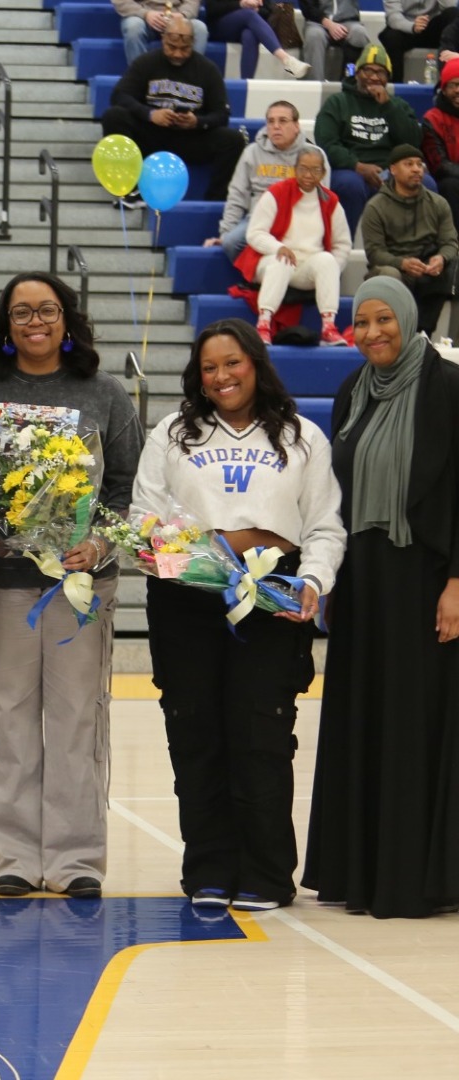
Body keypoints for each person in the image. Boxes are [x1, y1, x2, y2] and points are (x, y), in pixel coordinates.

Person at [134, 319, 344, 911]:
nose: (221, 376)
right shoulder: (173, 434)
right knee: (194, 732)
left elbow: (325, 525)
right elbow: (142, 519)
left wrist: (313, 580)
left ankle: (268, 874)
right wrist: (178, 556)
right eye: (209, 367)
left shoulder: (303, 438)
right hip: (187, 602)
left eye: (233, 363)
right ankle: (207, 869)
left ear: (256, 363)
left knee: (262, 734)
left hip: (271, 601)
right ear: (197, 376)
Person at [0, 273, 142, 898]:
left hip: (81, 586)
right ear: (4, 324)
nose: (34, 320)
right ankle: (11, 856)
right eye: (20, 312)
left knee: (75, 721)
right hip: (4, 583)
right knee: (5, 716)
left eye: (47, 309)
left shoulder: (106, 393)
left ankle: (75, 861)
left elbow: (127, 489)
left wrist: (99, 544)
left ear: (67, 318)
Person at [303, 275, 459, 919]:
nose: (370, 334)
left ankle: (414, 880)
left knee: (416, 725)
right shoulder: (350, 393)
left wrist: (457, 581)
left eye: (381, 321)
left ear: (405, 318)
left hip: (427, 579)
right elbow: (338, 496)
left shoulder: (447, 388)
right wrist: (334, 579)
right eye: (359, 323)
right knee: (364, 718)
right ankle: (358, 870)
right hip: (364, 582)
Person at [100, 15, 247, 204]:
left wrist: (198, 122)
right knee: (114, 116)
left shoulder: (208, 70)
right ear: (163, 40)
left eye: (184, 48)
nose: (178, 53)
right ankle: (128, 189)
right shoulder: (147, 62)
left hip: (190, 138)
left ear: (193, 43)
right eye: (172, 47)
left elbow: (222, 114)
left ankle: (215, 201)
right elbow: (119, 95)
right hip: (151, 133)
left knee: (233, 140)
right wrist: (150, 114)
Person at [239, 147, 353, 345]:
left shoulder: (331, 201)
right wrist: (277, 247)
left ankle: (328, 326)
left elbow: (342, 244)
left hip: (307, 267)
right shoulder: (276, 192)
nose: (309, 175)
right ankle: (263, 324)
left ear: (323, 173)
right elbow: (254, 233)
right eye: (303, 169)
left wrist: (333, 270)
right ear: (294, 169)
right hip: (271, 261)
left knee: (327, 260)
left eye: (315, 170)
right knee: (281, 261)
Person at [319, 45, 431, 227]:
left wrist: (388, 106)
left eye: (380, 72)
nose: (373, 77)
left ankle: (419, 251)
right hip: (350, 169)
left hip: (391, 170)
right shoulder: (337, 102)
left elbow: (412, 142)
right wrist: (357, 166)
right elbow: (327, 143)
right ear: (357, 73)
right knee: (350, 185)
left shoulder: (399, 105)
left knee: (426, 182)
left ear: (387, 78)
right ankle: (340, 248)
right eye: (367, 70)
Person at [362, 143, 459, 334]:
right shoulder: (376, 207)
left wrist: (441, 258)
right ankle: (395, 334)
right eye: (409, 164)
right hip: (393, 266)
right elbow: (374, 253)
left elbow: (450, 242)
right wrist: (402, 263)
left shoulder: (438, 203)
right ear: (393, 169)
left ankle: (440, 337)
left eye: (419, 164)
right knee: (390, 275)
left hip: (428, 266)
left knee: (453, 267)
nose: (416, 169)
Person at [207, 102, 315, 258]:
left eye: (283, 121)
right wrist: (225, 233)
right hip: (259, 221)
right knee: (230, 242)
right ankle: (256, 276)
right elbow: (237, 196)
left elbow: (322, 199)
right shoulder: (251, 152)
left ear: (296, 126)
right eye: (271, 121)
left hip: (298, 220)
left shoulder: (313, 155)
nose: (276, 126)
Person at [206, 0, 312, 78]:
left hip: (246, 24)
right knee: (249, 14)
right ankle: (286, 59)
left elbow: (268, 9)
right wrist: (241, 4)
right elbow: (212, 9)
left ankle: (246, 83)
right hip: (220, 25)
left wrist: (257, 7)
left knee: (250, 35)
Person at [114, 0, 210, 63]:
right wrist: (145, 14)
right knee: (133, 27)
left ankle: (189, 79)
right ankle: (140, 77)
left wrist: (182, 15)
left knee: (200, 29)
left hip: (177, 14)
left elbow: (192, 2)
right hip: (141, 15)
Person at [422, 59, 459, 222]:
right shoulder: (433, 119)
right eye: (454, 85)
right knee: (450, 185)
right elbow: (439, 165)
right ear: (443, 89)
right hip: (448, 179)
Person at [300, 0, 372, 80]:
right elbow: (308, 8)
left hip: (348, 21)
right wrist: (328, 24)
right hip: (317, 23)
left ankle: (350, 80)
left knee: (359, 33)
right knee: (314, 36)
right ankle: (315, 83)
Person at [379, 0, 456, 68]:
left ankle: (452, 77)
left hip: (432, 28)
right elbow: (393, 16)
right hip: (405, 29)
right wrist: (413, 26)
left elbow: (450, 6)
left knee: (452, 13)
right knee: (391, 37)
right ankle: (396, 82)